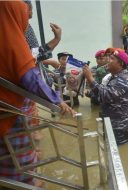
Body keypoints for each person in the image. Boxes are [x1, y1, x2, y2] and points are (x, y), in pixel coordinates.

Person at [0, 1, 74, 185]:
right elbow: (28, 73)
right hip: (10, 107)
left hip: (12, 103)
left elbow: (32, 56)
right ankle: (25, 182)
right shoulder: (10, 36)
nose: (26, 22)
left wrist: (55, 41)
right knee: (16, 154)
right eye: (25, 16)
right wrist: (57, 100)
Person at [83, 50, 128, 146]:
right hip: (110, 122)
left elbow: (106, 95)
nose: (108, 60)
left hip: (118, 125)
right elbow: (101, 97)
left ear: (121, 64)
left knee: (117, 152)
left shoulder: (122, 79)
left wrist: (91, 79)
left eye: (112, 59)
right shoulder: (112, 77)